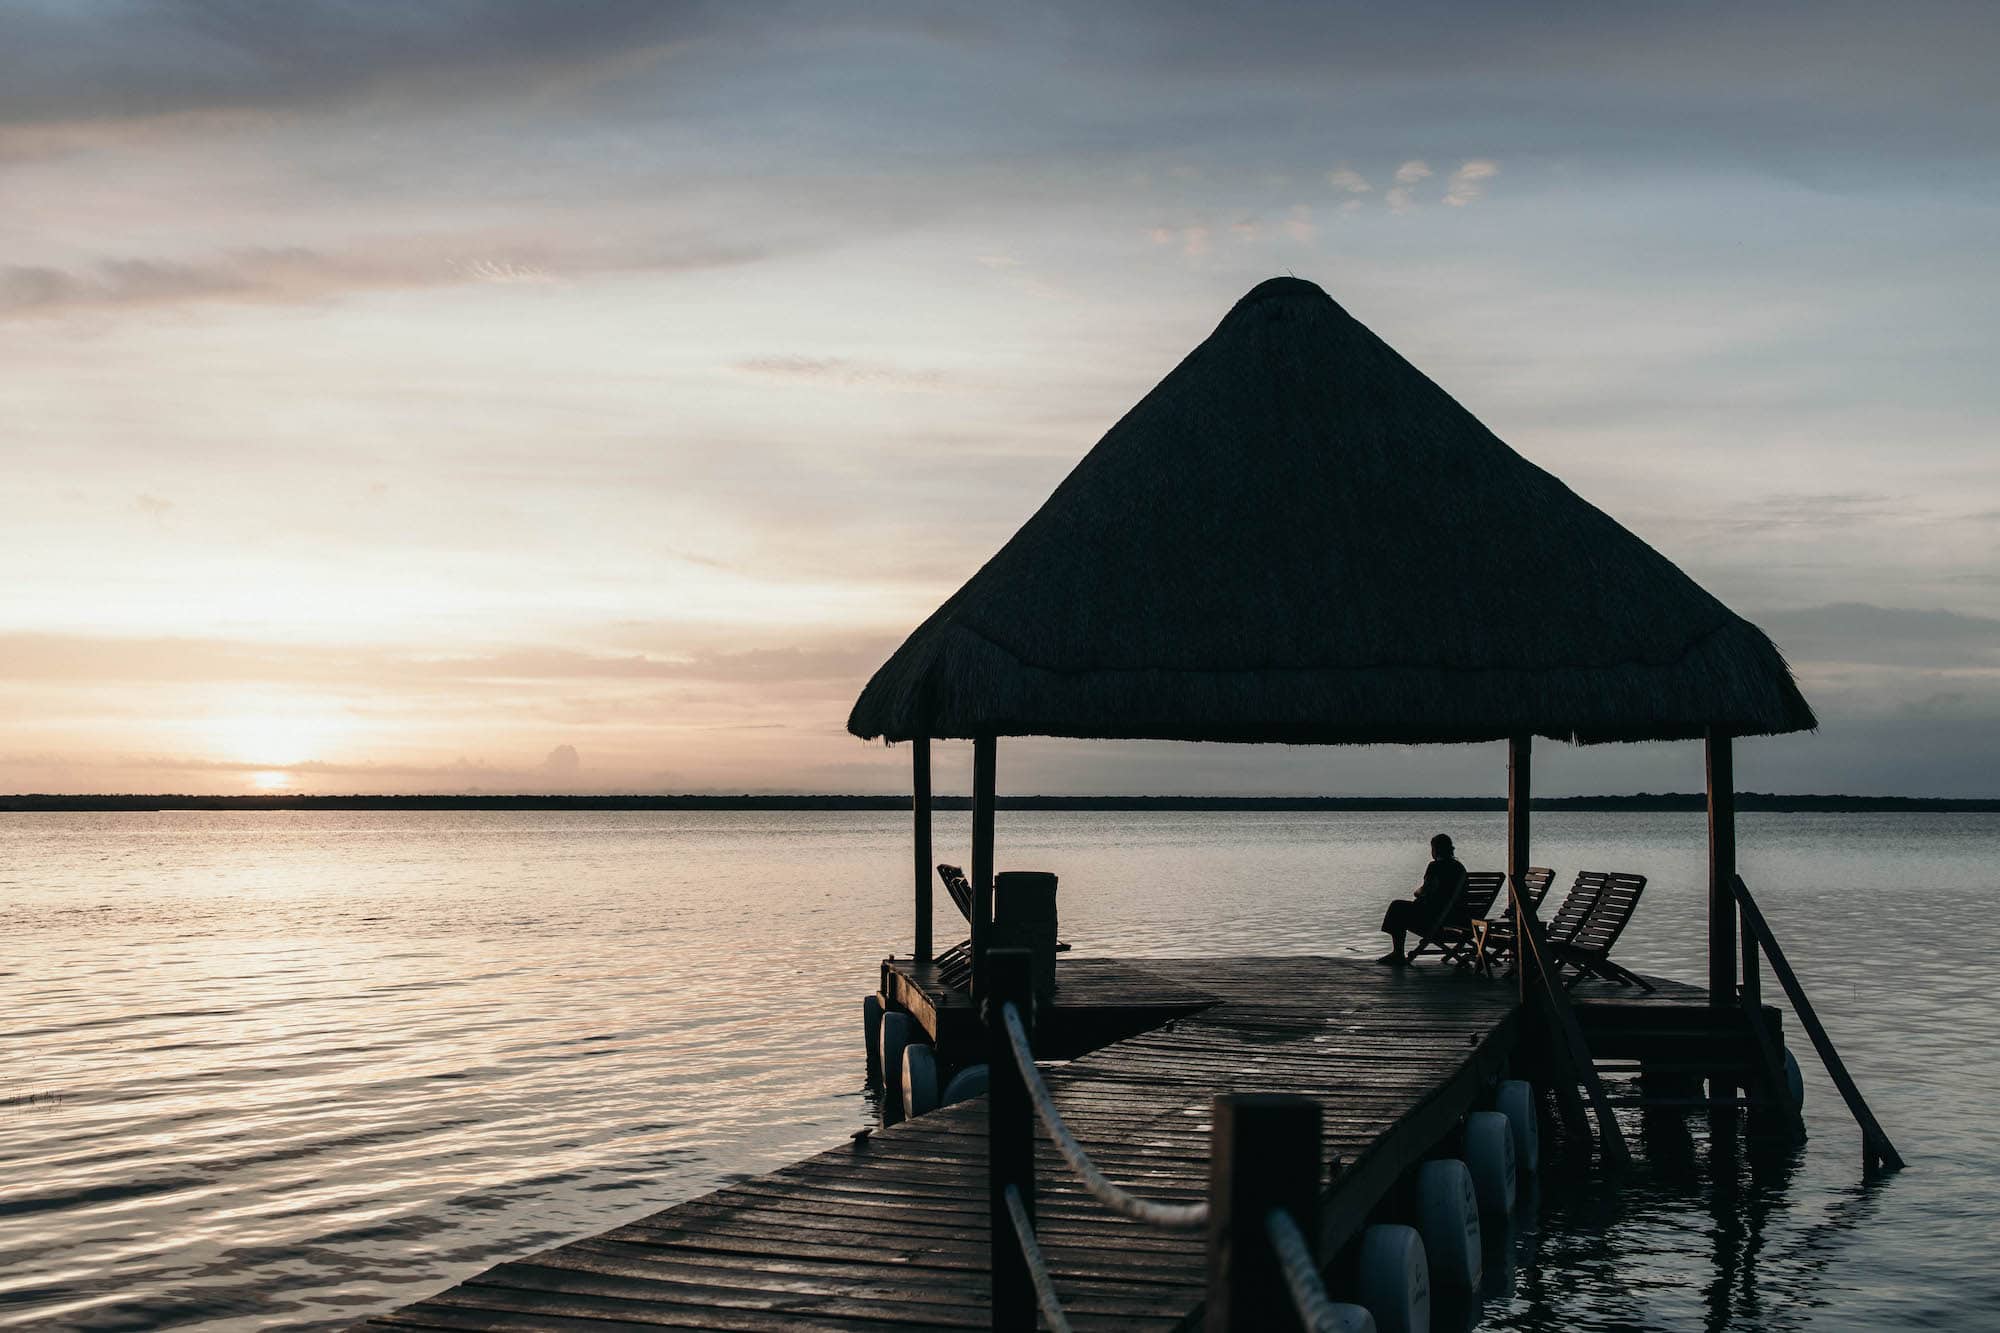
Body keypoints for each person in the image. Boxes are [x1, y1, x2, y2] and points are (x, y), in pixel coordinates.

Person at [1377, 833, 1469, 966]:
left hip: (1433, 919)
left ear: (1435, 850)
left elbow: (1425, 890)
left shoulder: (1435, 866)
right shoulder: (1460, 868)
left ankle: (1398, 953)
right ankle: (1397, 953)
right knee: (1402, 908)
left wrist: (1417, 892)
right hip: (1457, 919)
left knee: (1397, 906)